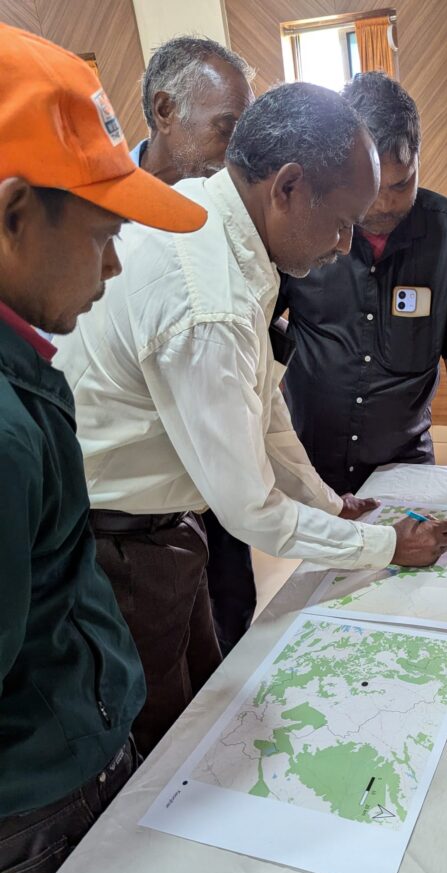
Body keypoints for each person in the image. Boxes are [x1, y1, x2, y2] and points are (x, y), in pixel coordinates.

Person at [56, 83, 447, 757]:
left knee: (202, 698)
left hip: (162, 527)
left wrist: (328, 503)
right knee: (158, 742)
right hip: (116, 546)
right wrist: (385, 546)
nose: (345, 244)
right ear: (288, 187)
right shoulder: (206, 300)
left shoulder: (221, 220)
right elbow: (250, 511)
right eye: (341, 222)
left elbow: (263, 407)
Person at [0, 25, 206, 873]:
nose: (116, 266)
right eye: (101, 236)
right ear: (15, 214)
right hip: (49, 785)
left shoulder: (24, 371)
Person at [275, 72, 447, 498]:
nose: (385, 204)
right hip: (309, 461)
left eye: (401, 184)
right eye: (371, 188)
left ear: (419, 158)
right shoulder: (305, 226)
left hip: (405, 464)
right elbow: (260, 325)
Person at [128, 35, 256, 656]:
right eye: (225, 129)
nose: (236, 153)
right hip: (136, 509)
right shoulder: (95, 209)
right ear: (165, 110)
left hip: (213, 477)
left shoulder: (228, 209)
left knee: (228, 618)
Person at [130, 35, 254, 183]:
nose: (240, 157)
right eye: (225, 130)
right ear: (165, 111)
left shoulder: (230, 192)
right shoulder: (108, 192)